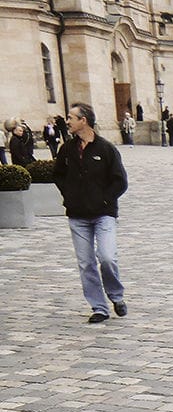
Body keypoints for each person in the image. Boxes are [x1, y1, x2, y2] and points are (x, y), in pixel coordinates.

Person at [52, 102, 129, 324]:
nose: (67, 121)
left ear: (83, 120)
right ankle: (99, 307)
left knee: (106, 257)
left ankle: (116, 296)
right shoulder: (67, 149)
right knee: (86, 263)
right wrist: (69, 194)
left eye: (71, 117)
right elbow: (58, 174)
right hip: (77, 215)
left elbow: (120, 181)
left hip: (103, 213)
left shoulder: (105, 149)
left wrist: (105, 199)